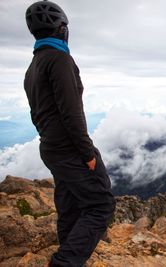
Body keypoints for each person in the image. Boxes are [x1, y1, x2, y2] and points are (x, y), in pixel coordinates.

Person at [24, 1, 116, 266]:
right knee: (101, 205)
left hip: (50, 147)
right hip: (70, 148)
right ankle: (65, 262)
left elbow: (35, 114)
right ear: (61, 29)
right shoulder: (59, 59)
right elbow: (71, 111)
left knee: (70, 204)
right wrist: (86, 152)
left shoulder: (34, 66)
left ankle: (68, 251)